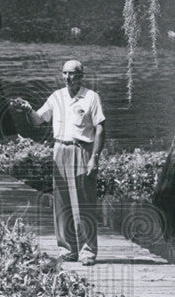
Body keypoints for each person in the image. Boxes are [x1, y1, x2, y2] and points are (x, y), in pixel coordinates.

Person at [10, 60, 106, 265]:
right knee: (62, 203)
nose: (67, 77)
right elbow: (37, 120)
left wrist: (94, 158)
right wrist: (27, 109)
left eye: (71, 74)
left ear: (81, 76)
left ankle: (87, 251)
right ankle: (67, 249)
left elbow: (100, 128)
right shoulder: (56, 97)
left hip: (81, 150)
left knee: (84, 203)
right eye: (64, 73)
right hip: (59, 150)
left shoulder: (91, 97)